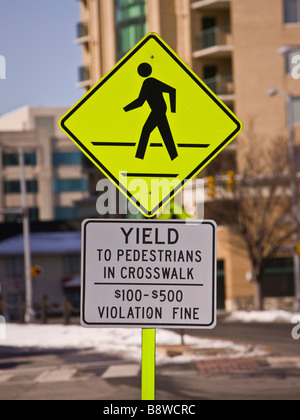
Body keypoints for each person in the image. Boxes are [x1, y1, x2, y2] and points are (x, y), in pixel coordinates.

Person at [124, 63, 178, 161]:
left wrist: (173, 110)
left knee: (146, 131)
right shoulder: (149, 82)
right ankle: (174, 157)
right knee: (165, 135)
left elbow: (172, 90)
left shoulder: (149, 82)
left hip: (158, 111)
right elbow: (141, 101)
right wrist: (126, 109)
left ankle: (139, 157)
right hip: (159, 111)